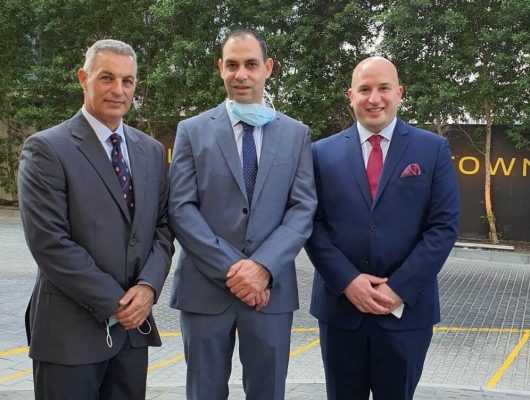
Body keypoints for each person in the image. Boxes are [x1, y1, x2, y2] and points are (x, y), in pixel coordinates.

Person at [18, 39, 174, 399]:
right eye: (107, 78)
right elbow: (50, 243)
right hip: (69, 337)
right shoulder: (46, 149)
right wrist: (119, 304)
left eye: (127, 81)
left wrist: (148, 288)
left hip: (131, 337)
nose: (118, 90)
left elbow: (163, 229)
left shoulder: (151, 151)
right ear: (82, 78)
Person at [168, 29, 317, 400]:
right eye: (232, 65)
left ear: (268, 68)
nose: (241, 74)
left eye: (251, 64)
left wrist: (262, 267)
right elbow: (181, 207)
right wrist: (235, 271)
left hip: (270, 292)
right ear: (220, 68)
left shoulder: (296, 134)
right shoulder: (192, 131)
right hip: (204, 291)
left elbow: (302, 208)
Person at [304, 57, 460, 400]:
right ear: (351, 96)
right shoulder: (320, 153)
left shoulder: (432, 149)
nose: (374, 98)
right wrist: (348, 281)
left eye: (383, 88)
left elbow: (443, 226)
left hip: (406, 313)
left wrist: (398, 288)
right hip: (341, 311)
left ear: (399, 92)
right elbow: (312, 225)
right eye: (364, 89)